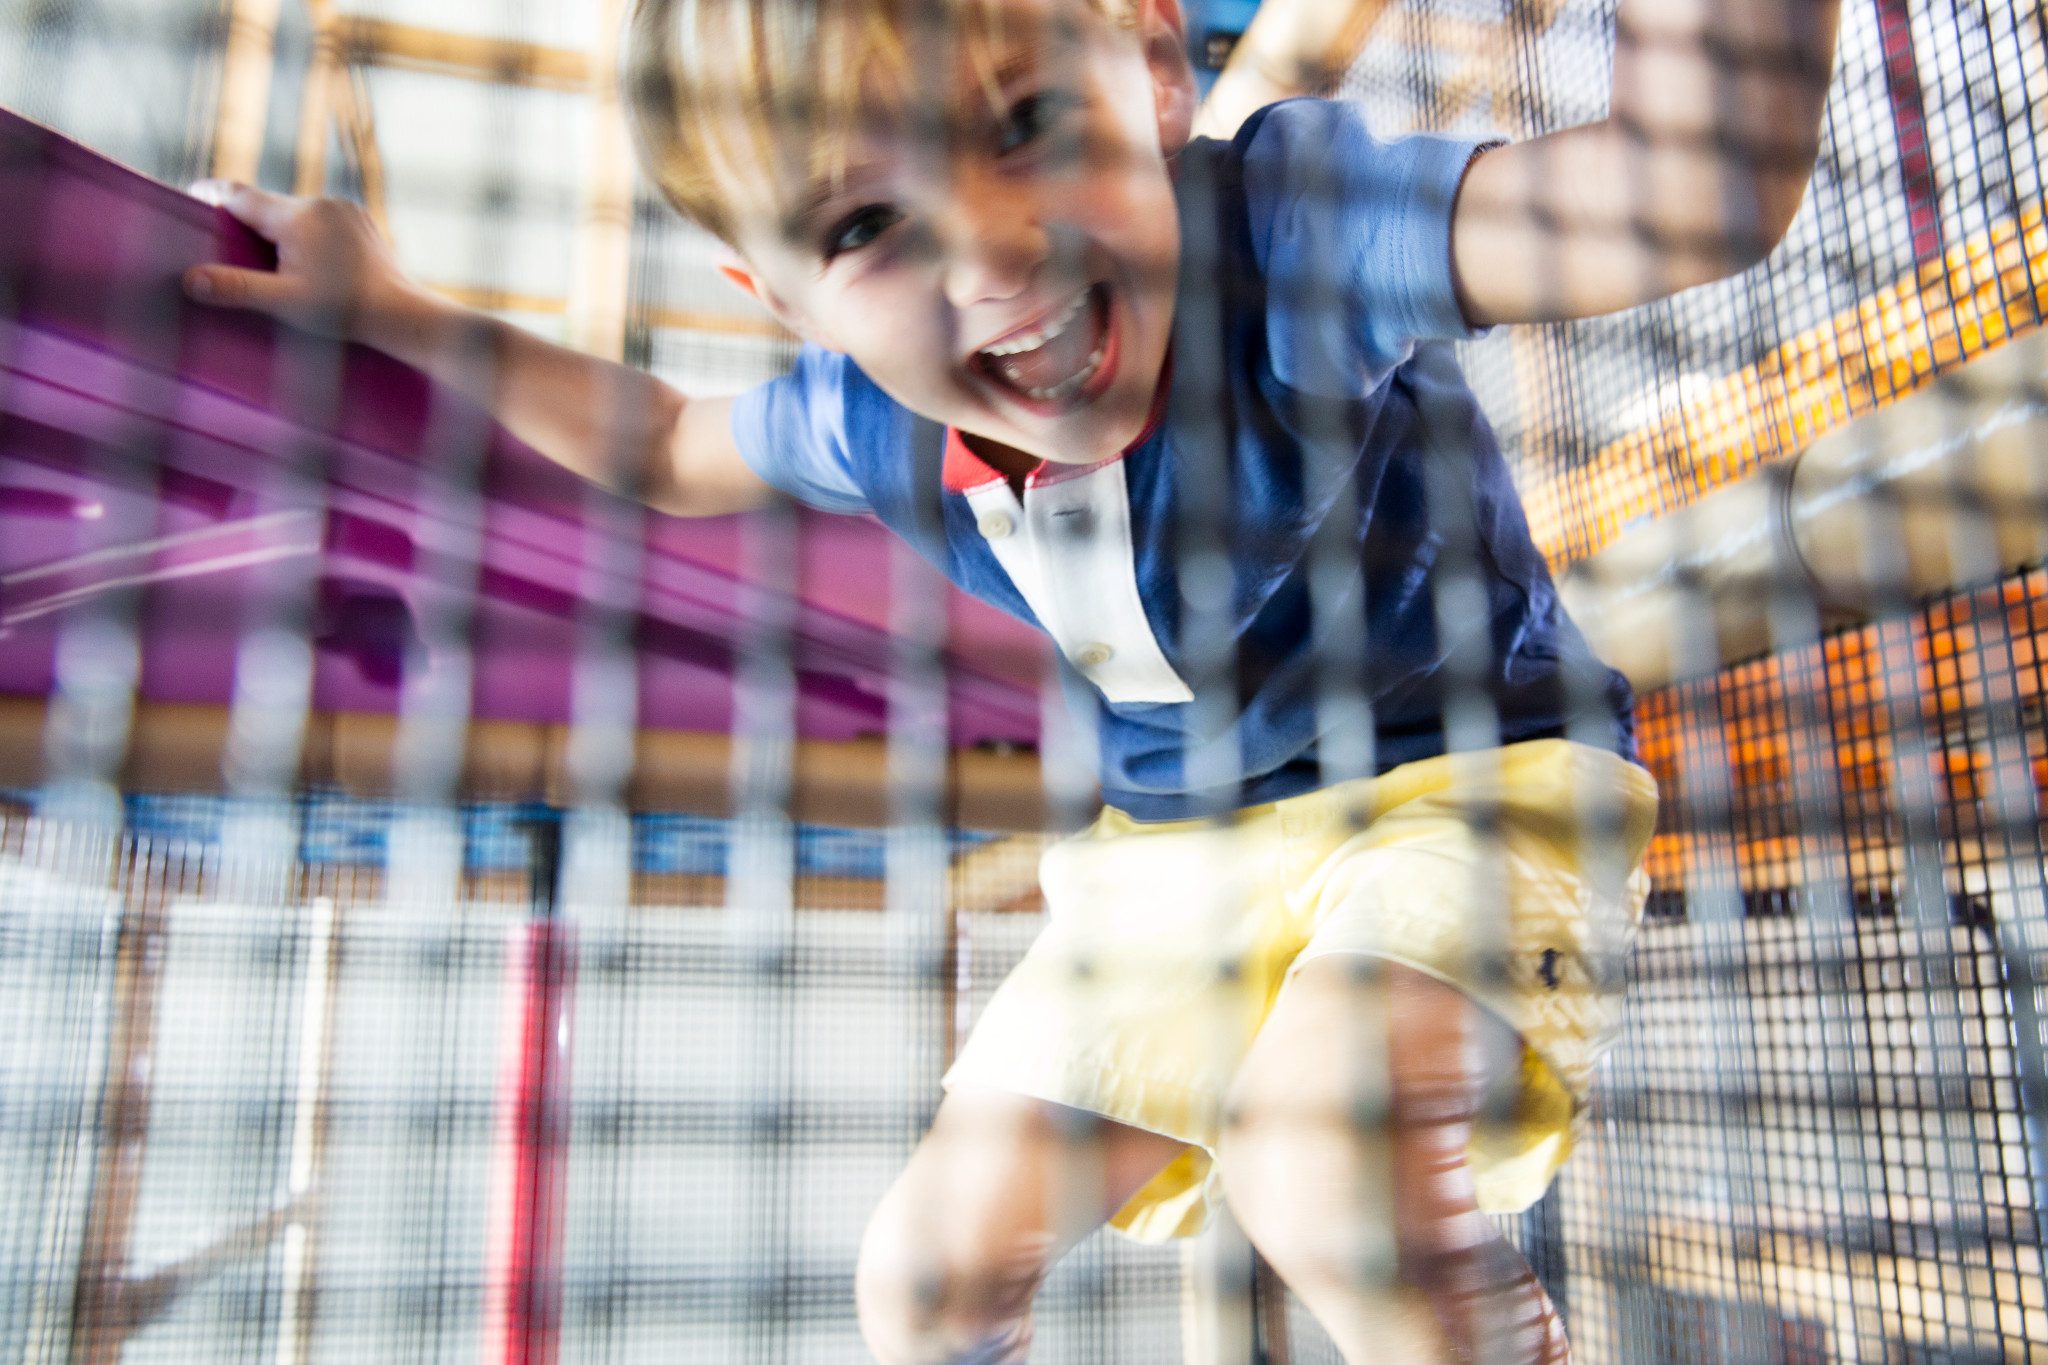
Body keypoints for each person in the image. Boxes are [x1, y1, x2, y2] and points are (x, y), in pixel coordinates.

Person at [183, 0, 1840, 1355]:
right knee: (919, 1286)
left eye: (1024, 122)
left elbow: (1680, 196)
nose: (990, 258)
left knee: (1323, 1168)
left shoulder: (1294, 244)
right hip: (1177, 859)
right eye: (864, 224)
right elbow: (668, 438)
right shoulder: (865, 416)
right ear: (787, 300)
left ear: (1153, 63)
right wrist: (391, 308)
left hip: (1468, 771)